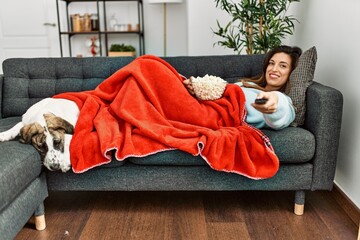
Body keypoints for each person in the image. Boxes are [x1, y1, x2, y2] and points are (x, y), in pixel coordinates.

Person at [183, 45, 302, 130]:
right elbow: (217, 90)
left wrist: (274, 101)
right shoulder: (245, 84)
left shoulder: (285, 101)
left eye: (282, 66)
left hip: (209, 117)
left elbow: (281, 112)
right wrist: (196, 87)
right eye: (271, 63)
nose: (274, 69)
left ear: (291, 72)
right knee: (168, 72)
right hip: (199, 104)